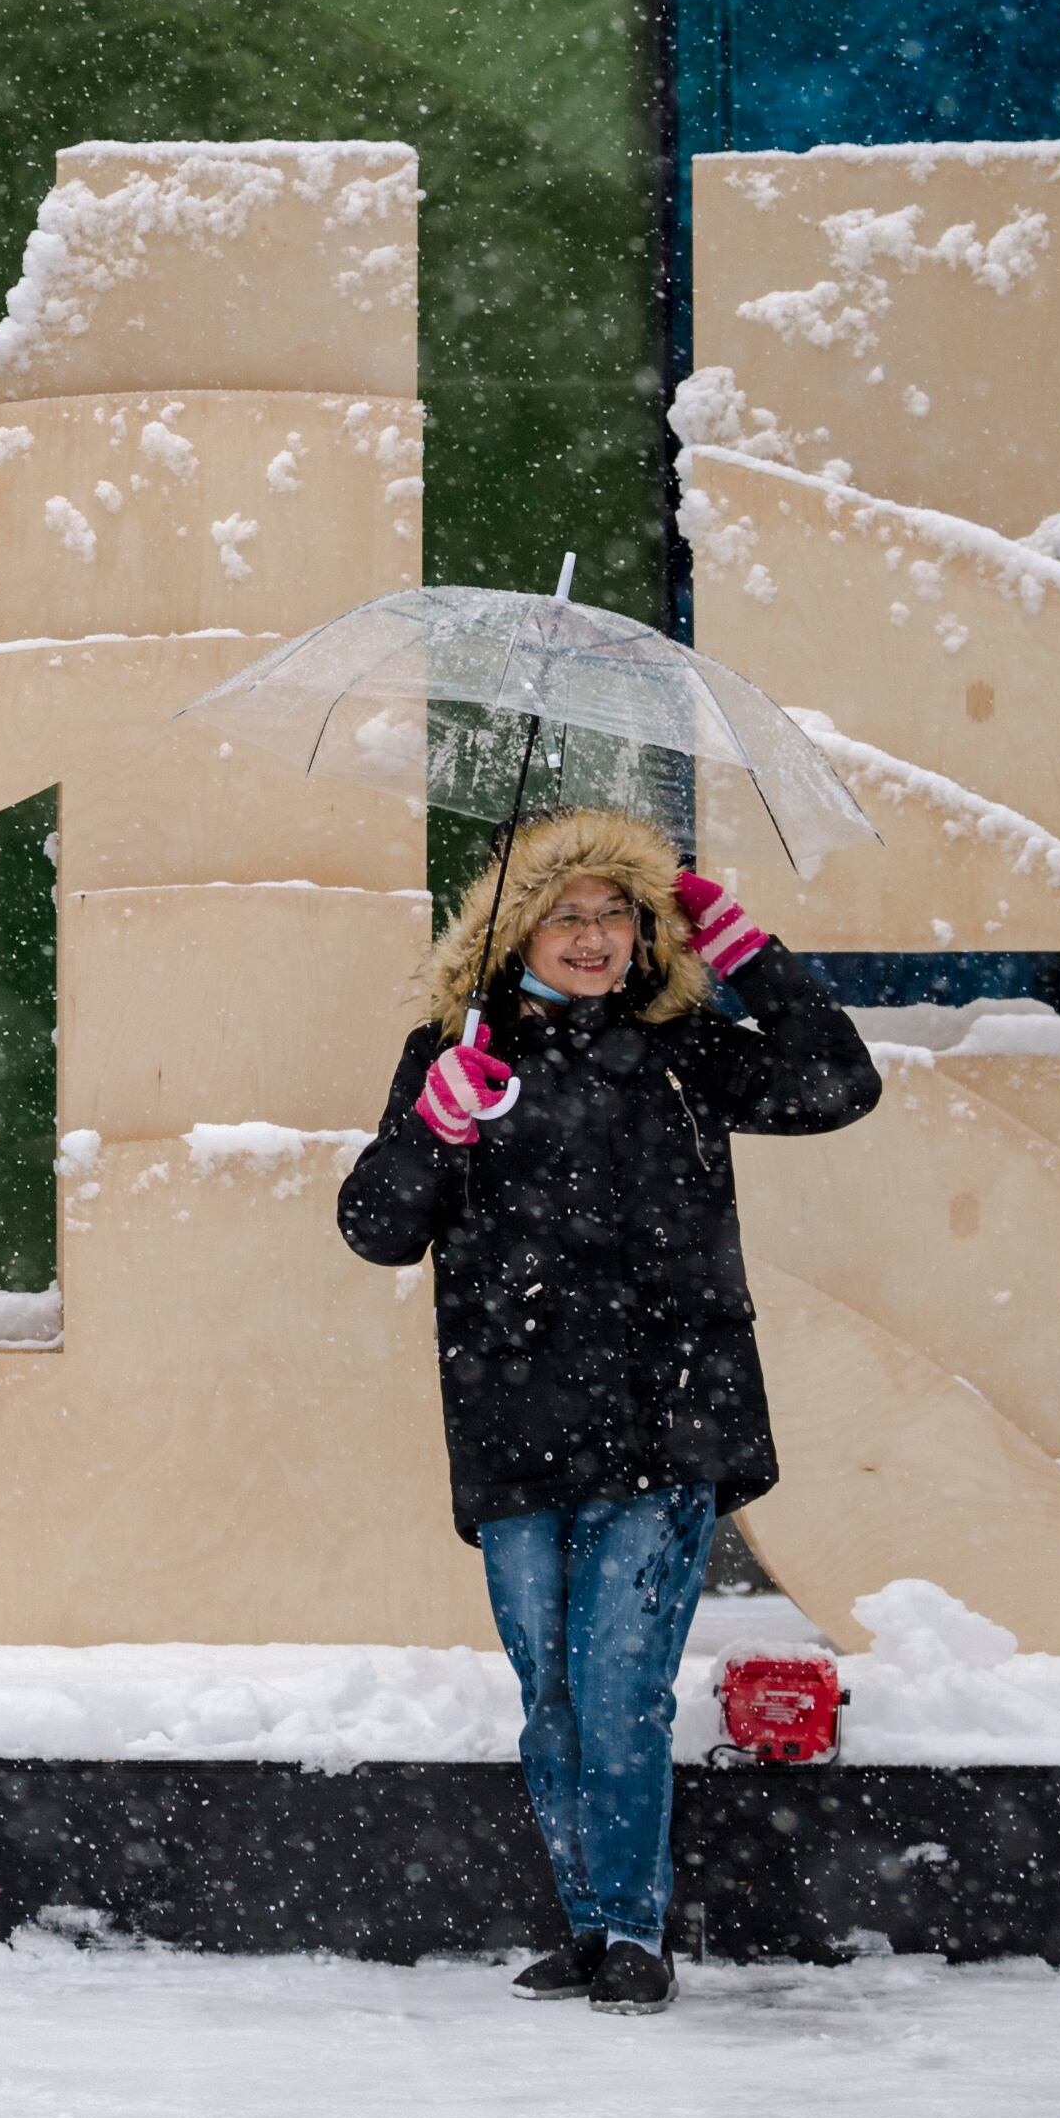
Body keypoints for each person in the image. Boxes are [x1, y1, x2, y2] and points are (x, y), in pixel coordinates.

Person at [334, 807, 877, 2013]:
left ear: (646, 930)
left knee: (620, 1686)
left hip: (664, 1419)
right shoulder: (453, 1052)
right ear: (511, 932)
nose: (592, 936)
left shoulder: (683, 1047)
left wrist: (750, 959)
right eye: (564, 915)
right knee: (553, 1698)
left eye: (615, 912)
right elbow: (374, 1227)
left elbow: (838, 1083)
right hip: (512, 1422)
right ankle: (585, 1925)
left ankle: (633, 1931)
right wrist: (432, 1127)